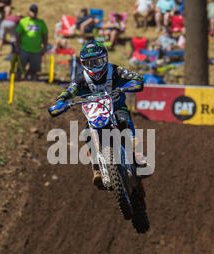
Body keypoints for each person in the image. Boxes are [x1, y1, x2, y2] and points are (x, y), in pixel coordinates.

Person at [49, 40, 148, 187]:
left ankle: (137, 154)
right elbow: (69, 91)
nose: (95, 66)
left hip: (117, 107)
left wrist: (128, 85)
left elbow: (136, 78)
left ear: (105, 58)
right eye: (90, 63)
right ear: (83, 63)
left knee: (124, 119)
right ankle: (97, 167)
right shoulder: (81, 78)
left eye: (98, 61)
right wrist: (61, 101)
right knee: (86, 133)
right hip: (96, 113)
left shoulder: (114, 70)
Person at [15, 4, 48, 81]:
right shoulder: (23, 21)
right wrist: (17, 46)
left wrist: (45, 46)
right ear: (28, 11)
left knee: (35, 67)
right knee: (20, 66)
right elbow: (18, 34)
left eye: (35, 11)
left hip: (36, 50)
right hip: (24, 48)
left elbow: (45, 35)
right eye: (32, 11)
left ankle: (29, 77)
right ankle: (17, 78)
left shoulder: (41, 22)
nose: (34, 13)